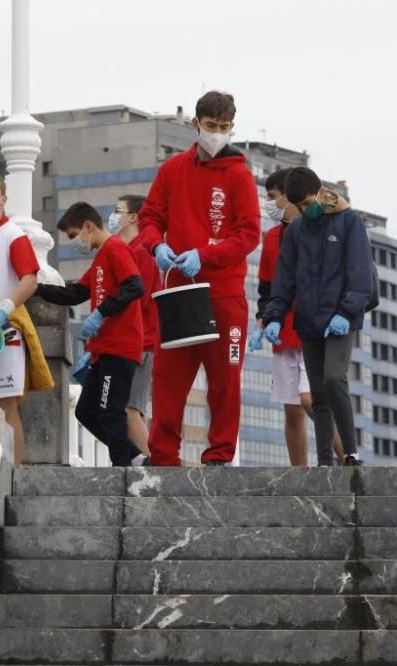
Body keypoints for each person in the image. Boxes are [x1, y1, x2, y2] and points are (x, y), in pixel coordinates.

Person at [138, 90, 261, 466]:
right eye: (211, 126)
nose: (217, 133)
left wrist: (205, 255)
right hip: (178, 291)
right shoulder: (172, 170)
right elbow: (149, 218)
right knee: (168, 378)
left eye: (224, 128)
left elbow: (248, 234)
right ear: (196, 124)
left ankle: (220, 456)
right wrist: (156, 246)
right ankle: (162, 457)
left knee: (226, 380)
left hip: (224, 295)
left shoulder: (240, 175)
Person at [263, 167, 371, 467]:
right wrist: (274, 316)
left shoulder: (349, 222)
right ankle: (325, 460)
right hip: (308, 322)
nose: (305, 210)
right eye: (299, 207)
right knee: (318, 393)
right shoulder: (296, 230)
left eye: (308, 203)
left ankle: (350, 452)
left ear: (321, 193)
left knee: (335, 378)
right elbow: (283, 280)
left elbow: (360, 274)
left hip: (340, 319)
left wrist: (348, 311)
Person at [36, 202, 148, 467]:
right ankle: (135, 459)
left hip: (120, 347)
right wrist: (36, 288)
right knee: (86, 411)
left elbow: (135, 285)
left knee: (110, 412)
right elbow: (75, 293)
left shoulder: (116, 249)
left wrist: (101, 313)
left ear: (88, 226)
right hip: (103, 351)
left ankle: (123, 469)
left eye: (75, 235)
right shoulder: (101, 258)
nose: (75, 243)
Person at [250, 169, 344, 466]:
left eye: (273, 197)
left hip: (313, 328)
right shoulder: (273, 237)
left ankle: (347, 458)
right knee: (291, 409)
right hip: (283, 330)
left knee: (309, 399)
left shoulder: (319, 231)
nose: (270, 204)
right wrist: (263, 318)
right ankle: (299, 472)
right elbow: (266, 285)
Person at [0, 171, 40, 467]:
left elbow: (30, 279)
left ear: (4, 199)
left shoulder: (14, 235)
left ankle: (15, 470)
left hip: (5, 332)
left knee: (6, 405)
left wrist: (3, 309)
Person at [108, 194, 159, 456]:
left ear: (133, 217)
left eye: (118, 210)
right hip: (133, 341)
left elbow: (140, 299)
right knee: (133, 409)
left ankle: (154, 464)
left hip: (139, 342)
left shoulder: (142, 254)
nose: (113, 215)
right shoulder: (130, 250)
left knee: (129, 409)